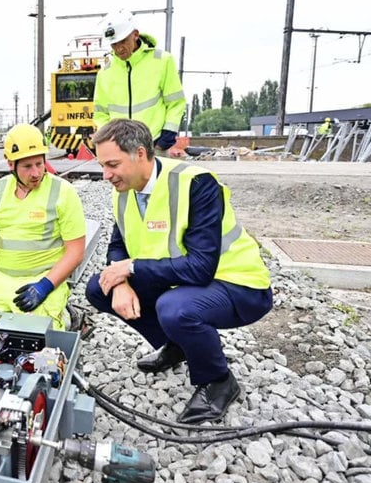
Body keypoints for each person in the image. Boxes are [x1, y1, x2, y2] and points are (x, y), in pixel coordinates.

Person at [85, 118, 272, 424]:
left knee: (174, 309)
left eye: (113, 164)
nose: (106, 175)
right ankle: (179, 346)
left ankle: (219, 382)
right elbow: (118, 247)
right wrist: (119, 283)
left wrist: (130, 268)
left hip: (238, 284)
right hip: (183, 281)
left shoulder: (196, 184)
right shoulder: (123, 191)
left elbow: (201, 268)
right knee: (99, 287)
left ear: (141, 154)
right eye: (102, 165)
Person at [0, 124, 86, 342]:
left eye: (40, 164)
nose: (36, 173)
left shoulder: (63, 192)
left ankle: (67, 316)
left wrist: (45, 286)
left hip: (42, 278)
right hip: (1, 278)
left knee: (38, 339)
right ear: (10, 163)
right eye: (27, 166)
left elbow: (76, 252)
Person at [93, 10, 186, 155]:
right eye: (113, 44)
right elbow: (100, 114)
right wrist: (109, 140)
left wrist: (167, 136)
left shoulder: (162, 61)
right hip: (121, 149)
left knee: (158, 178)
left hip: (155, 145)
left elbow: (175, 103)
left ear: (135, 34)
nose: (119, 48)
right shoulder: (105, 73)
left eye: (123, 41)